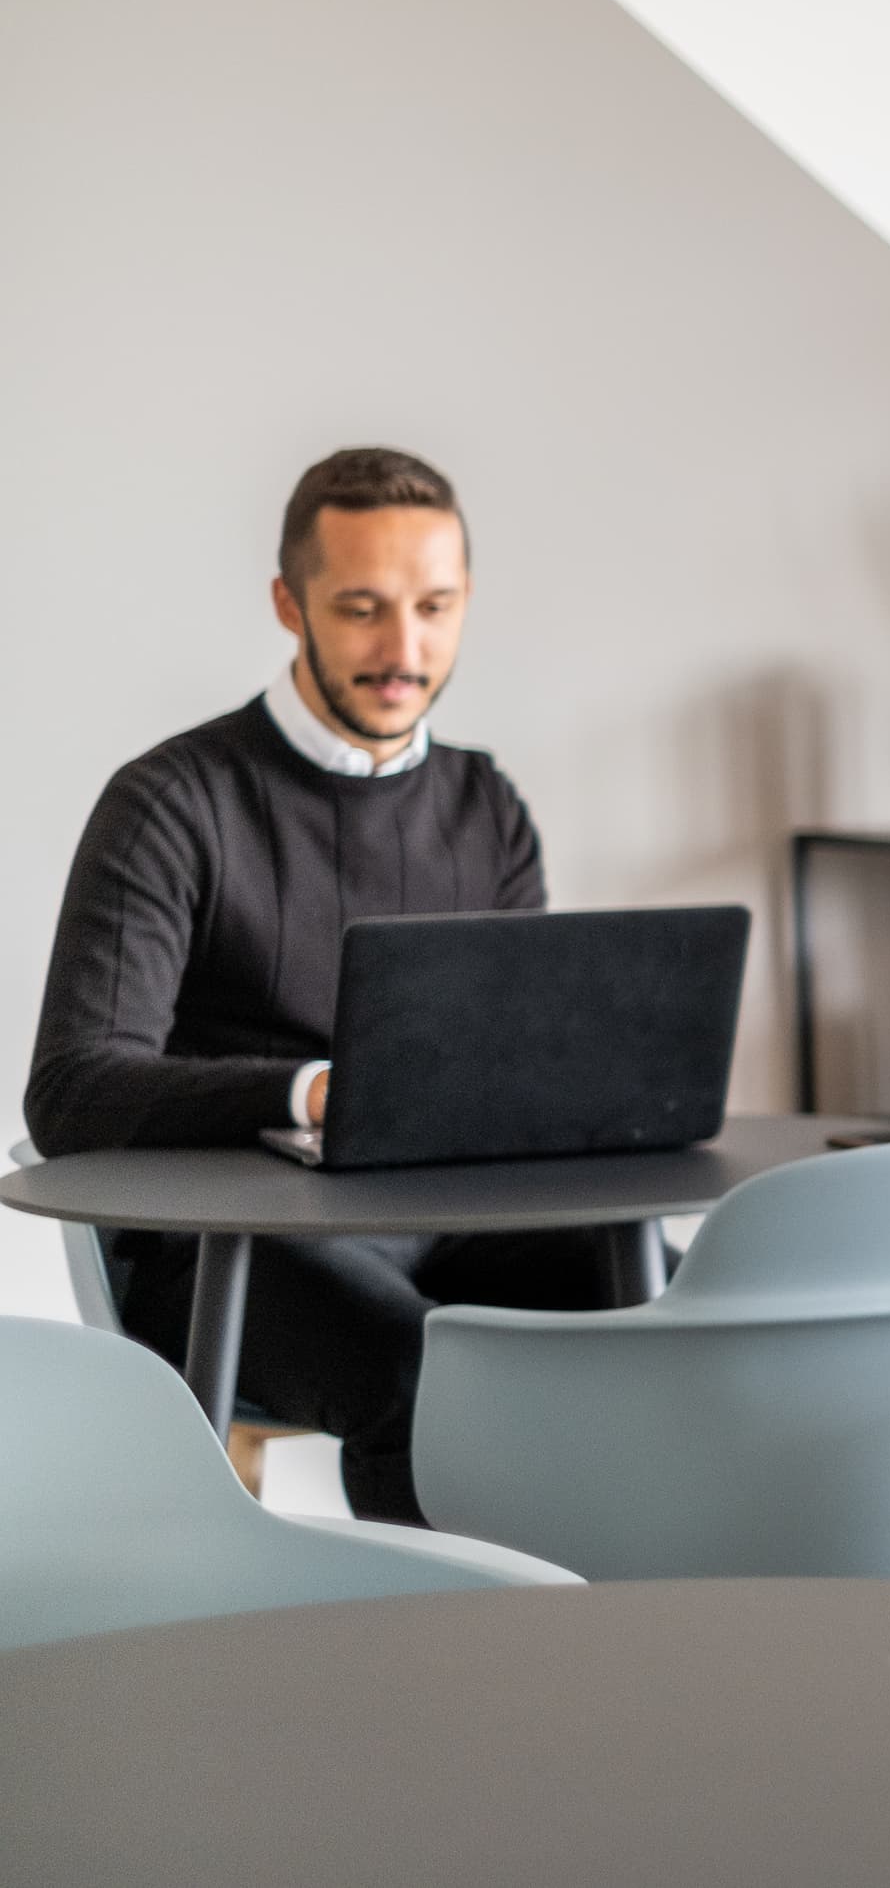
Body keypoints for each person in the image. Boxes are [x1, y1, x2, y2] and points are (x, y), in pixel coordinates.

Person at [24, 448, 627, 1524]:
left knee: (654, 1315)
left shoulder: (486, 807)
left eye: (435, 608)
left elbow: (518, 1071)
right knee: (418, 1377)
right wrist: (307, 1090)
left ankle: (602, 1639)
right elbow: (71, 1088)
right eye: (361, 610)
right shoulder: (173, 803)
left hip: (446, 1223)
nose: (405, 651)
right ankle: (433, 1680)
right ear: (287, 604)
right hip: (227, 1252)